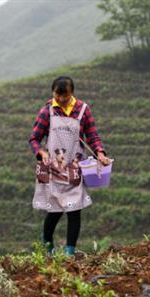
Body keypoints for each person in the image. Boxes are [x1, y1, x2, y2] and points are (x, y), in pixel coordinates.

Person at [30, 76, 110, 256]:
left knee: (74, 209)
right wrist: (41, 152)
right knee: (55, 209)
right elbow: (34, 138)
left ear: (71, 94)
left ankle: (69, 252)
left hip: (74, 167)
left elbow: (93, 136)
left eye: (64, 96)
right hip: (52, 168)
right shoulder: (47, 111)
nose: (60, 99)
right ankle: (47, 243)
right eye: (57, 95)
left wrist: (101, 154)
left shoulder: (83, 110)